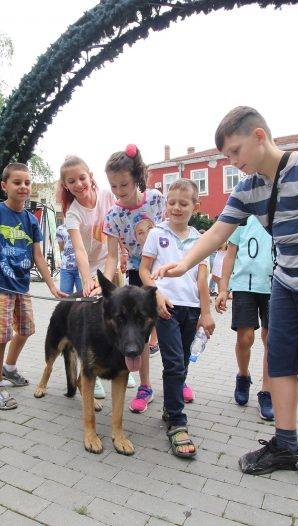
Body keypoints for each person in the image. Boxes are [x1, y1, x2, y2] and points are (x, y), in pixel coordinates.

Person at [154, 106, 298, 484]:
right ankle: (285, 444)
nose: (233, 162)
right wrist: (183, 263)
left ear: (259, 136)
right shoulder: (249, 188)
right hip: (285, 284)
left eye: (235, 152)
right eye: (227, 156)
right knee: (280, 360)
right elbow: (217, 234)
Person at [0, 163, 66, 410]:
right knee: (1, 336)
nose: (23, 187)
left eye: (27, 183)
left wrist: (52, 285)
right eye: (17, 182)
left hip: (21, 285)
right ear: (4, 186)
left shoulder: (31, 221)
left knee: (26, 329)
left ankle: (9, 368)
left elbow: (39, 257)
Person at [139, 179, 214, 458]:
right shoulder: (156, 233)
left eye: (184, 203)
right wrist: (155, 293)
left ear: (196, 205)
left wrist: (206, 313)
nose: (176, 208)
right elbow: (145, 271)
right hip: (165, 307)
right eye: (172, 203)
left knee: (182, 362)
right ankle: (176, 420)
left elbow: (203, 278)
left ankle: (170, 406)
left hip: (191, 309)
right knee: (173, 362)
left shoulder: (202, 239)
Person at [103, 144, 181, 413]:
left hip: (164, 269)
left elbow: (170, 232)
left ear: (137, 178)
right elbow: (112, 256)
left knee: (175, 327)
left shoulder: (157, 200)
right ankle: (145, 386)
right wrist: (103, 283)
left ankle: (178, 380)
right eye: (113, 186)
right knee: (140, 334)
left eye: (123, 184)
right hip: (137, 274)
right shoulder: (113, 215)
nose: (118, 192)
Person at [57, 155, 137, 397]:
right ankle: (92, 371)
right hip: (91, 270)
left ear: (90, 176)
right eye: (72, 181)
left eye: (82, 177)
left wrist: (123, 251)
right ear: (66, 185)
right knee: (93, 325)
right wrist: (87, 280)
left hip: (112, 265)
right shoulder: (73, 213)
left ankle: (124, 366)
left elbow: (121, 223)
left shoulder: (107, 196)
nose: (79, 184)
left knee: (122, 320)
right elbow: (80, 251)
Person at [214, 215, 274, 421]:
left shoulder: (281, 213)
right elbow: (230, 256)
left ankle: (267, 392)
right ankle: (243, 375)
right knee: (245, 338)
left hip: (275, 286)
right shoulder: (244, 219)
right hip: (243, 286)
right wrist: (223, 288)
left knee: (271, 340)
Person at [56, 223, 82, 295]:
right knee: (65, 296)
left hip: (82, 268)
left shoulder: (83, 226)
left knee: (84, 296)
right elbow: (62, 247)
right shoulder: (60, 229)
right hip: (66, 268)